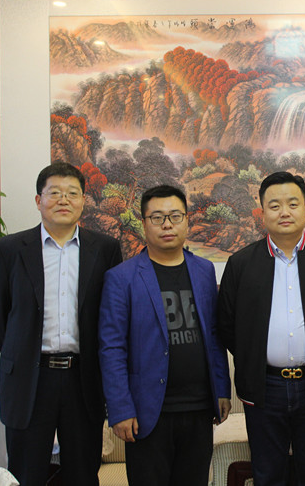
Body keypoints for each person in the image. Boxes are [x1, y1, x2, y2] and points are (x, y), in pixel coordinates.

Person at [0, 161, 122, 486]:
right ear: (39, 200)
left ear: (83, 200)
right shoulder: (8, 250)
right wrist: (24, 352)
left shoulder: (105, 249)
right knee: (26, 473)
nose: (64, 200)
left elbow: (113, 315)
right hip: (30, 380)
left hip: (83, 379)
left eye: (72, 193)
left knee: (82, 474)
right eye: (55, 193)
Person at [218, 171, 305, 486]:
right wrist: (254, 354)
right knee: (267, 475)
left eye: (293, 204)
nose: (284, 212)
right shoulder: (241, 263)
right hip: (264, 387)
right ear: (262, 212)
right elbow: (227, 325)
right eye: (274, 205)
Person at [99, 185, 231, 486]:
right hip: (148, 411)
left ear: (187, 220)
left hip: (198, 408)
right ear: (144, 223)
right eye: (157, 218)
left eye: (175, 216)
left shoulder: (204, 270)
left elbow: (213, 334)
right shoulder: (121, 278)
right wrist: (120, 408)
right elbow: (112, 348)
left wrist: (221, 389)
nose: (167, 225)